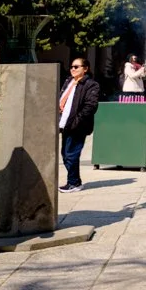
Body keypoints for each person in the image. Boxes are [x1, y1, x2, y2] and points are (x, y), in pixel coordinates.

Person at [58, 57, 101, 193]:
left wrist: (77, 121)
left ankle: (74, 183)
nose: (73, 69)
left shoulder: (91, 85)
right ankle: (74, 181)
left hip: (78, 126)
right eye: (71, 67)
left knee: (71, 154)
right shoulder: (69, 82)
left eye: (76, 67)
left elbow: (90, 106)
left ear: (85, 69)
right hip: (65, 124)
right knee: (65, 154)